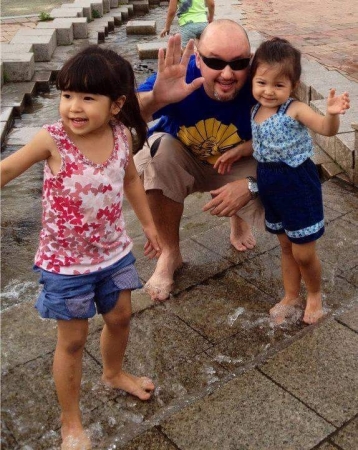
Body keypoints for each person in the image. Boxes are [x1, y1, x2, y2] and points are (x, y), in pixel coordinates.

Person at [1, 46, 162, 450]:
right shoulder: (51, 140)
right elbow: (6, 169)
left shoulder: (121, 135)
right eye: (67, 95)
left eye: (88, 98)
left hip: (113, 253)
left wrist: (148, 225)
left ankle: (112, 373)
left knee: (121, 316)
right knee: (72, 340)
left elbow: (129, 181)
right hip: (66, 264)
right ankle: (70, 422)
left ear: (116, 105)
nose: (74, 106)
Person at [217, 37, 350, 325]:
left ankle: (314, 294)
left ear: (294, 84)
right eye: (262, 82)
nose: (268, 91)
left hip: (297, 184)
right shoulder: (254, 110)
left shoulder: (295, 110)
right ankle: (291, 295)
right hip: (270, 185)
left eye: (279, 85)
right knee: (286, 246)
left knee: (303, 251)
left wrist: (332, 114)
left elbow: (326, 130)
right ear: (253, 79)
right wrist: (241, 150)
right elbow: (261, 142)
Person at [135, 19, 265, 302]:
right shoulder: (181, 74)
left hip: (236, 163)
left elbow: (292, 147)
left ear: (250, 60)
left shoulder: (262, 83)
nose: (228, 74)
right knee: (156, 154)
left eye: (239, 62)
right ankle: (170, 253)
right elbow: (120, 117)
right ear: (198, 59)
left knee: (288, 190)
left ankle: (238, 218)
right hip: (185, 158)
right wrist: (156, 99)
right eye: (215, 63)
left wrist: (252, 184)